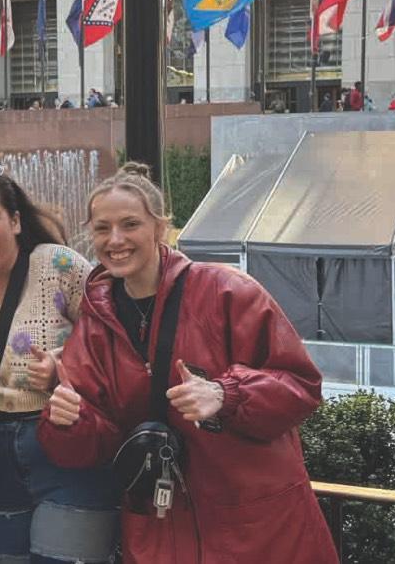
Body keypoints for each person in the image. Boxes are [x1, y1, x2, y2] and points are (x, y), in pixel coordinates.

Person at [38, 164, 338, 564]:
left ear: (160, 228)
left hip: (255, 526)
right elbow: (97, 440)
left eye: (130, 225)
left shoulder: (226, 291)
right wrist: (68, 422)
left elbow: (302, 385)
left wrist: (226, 394)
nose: (115, 240)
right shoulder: (95, 323)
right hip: (162, 528)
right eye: (101, 228)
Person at [0, 170, 120, 563]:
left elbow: (111, 336)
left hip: (66, 441)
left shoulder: (59, 264)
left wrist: (62, 367)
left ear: (15, 221)